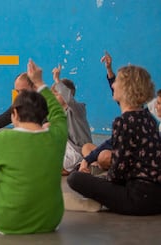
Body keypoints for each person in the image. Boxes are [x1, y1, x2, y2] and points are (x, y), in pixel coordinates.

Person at [0, 59, 68, 234]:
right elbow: (59, 115)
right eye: (16, 91)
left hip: (6, 223)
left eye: (22, 91)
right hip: (51, 221)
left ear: (15, 114)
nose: (18, 95)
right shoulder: (57, 133)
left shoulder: (3, 140)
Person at [66, 64, 161, 215]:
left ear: (126, 89)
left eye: (117, 82)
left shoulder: (123, 121)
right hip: (157, 196)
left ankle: (97, 201)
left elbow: (118, 171)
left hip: (137, 200)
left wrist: (100, 182)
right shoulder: (149, 118)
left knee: (75, 178)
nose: (114, 84)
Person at [51, 64, 92, 175]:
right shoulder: (58, 114)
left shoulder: (78, 109)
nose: (54, 97)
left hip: (79, 151)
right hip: (66, 149)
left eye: (57, 94)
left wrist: (57, 80)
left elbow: (69, 100)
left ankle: (74, 168)